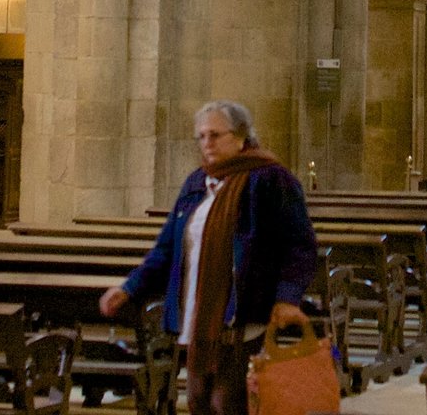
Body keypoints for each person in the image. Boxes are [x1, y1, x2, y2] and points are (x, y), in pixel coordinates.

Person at [99, 100, 315, 415]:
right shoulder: (196, 182)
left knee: (228, 402)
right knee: (200, 400)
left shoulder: (270, 180)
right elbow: (168, 249)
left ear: (241, 137)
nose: (207, 143)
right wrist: (129, 288)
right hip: (198, 319)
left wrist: (287, 297)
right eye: (201, 136)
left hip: (242, 315)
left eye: (215, 135)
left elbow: (300, 245)